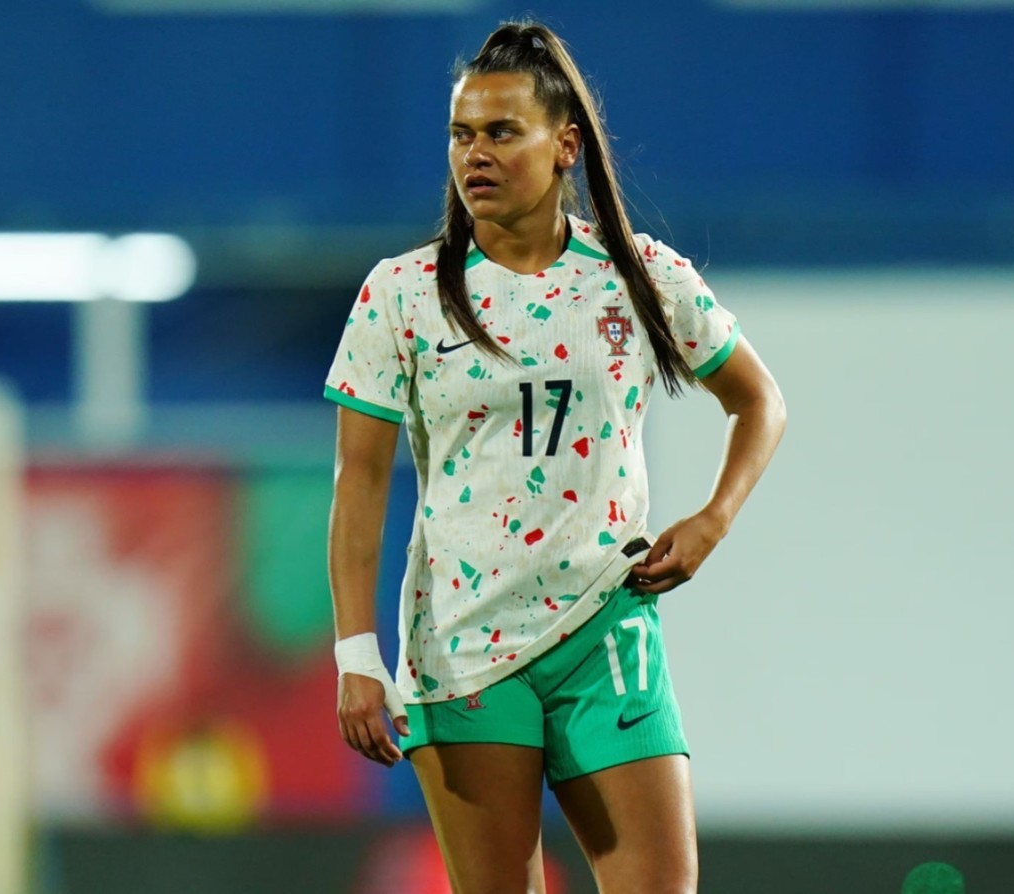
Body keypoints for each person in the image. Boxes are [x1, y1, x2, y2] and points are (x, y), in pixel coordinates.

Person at [324, 20, 786, 894]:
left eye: (502, 132)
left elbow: (760, 402)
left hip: (606, 626)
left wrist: (713, 520)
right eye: (462, 135)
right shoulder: (403, 294)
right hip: (464, 643)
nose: (476, 155)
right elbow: (361, 483)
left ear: (565, 144)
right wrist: (357, 656)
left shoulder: (639, 276)